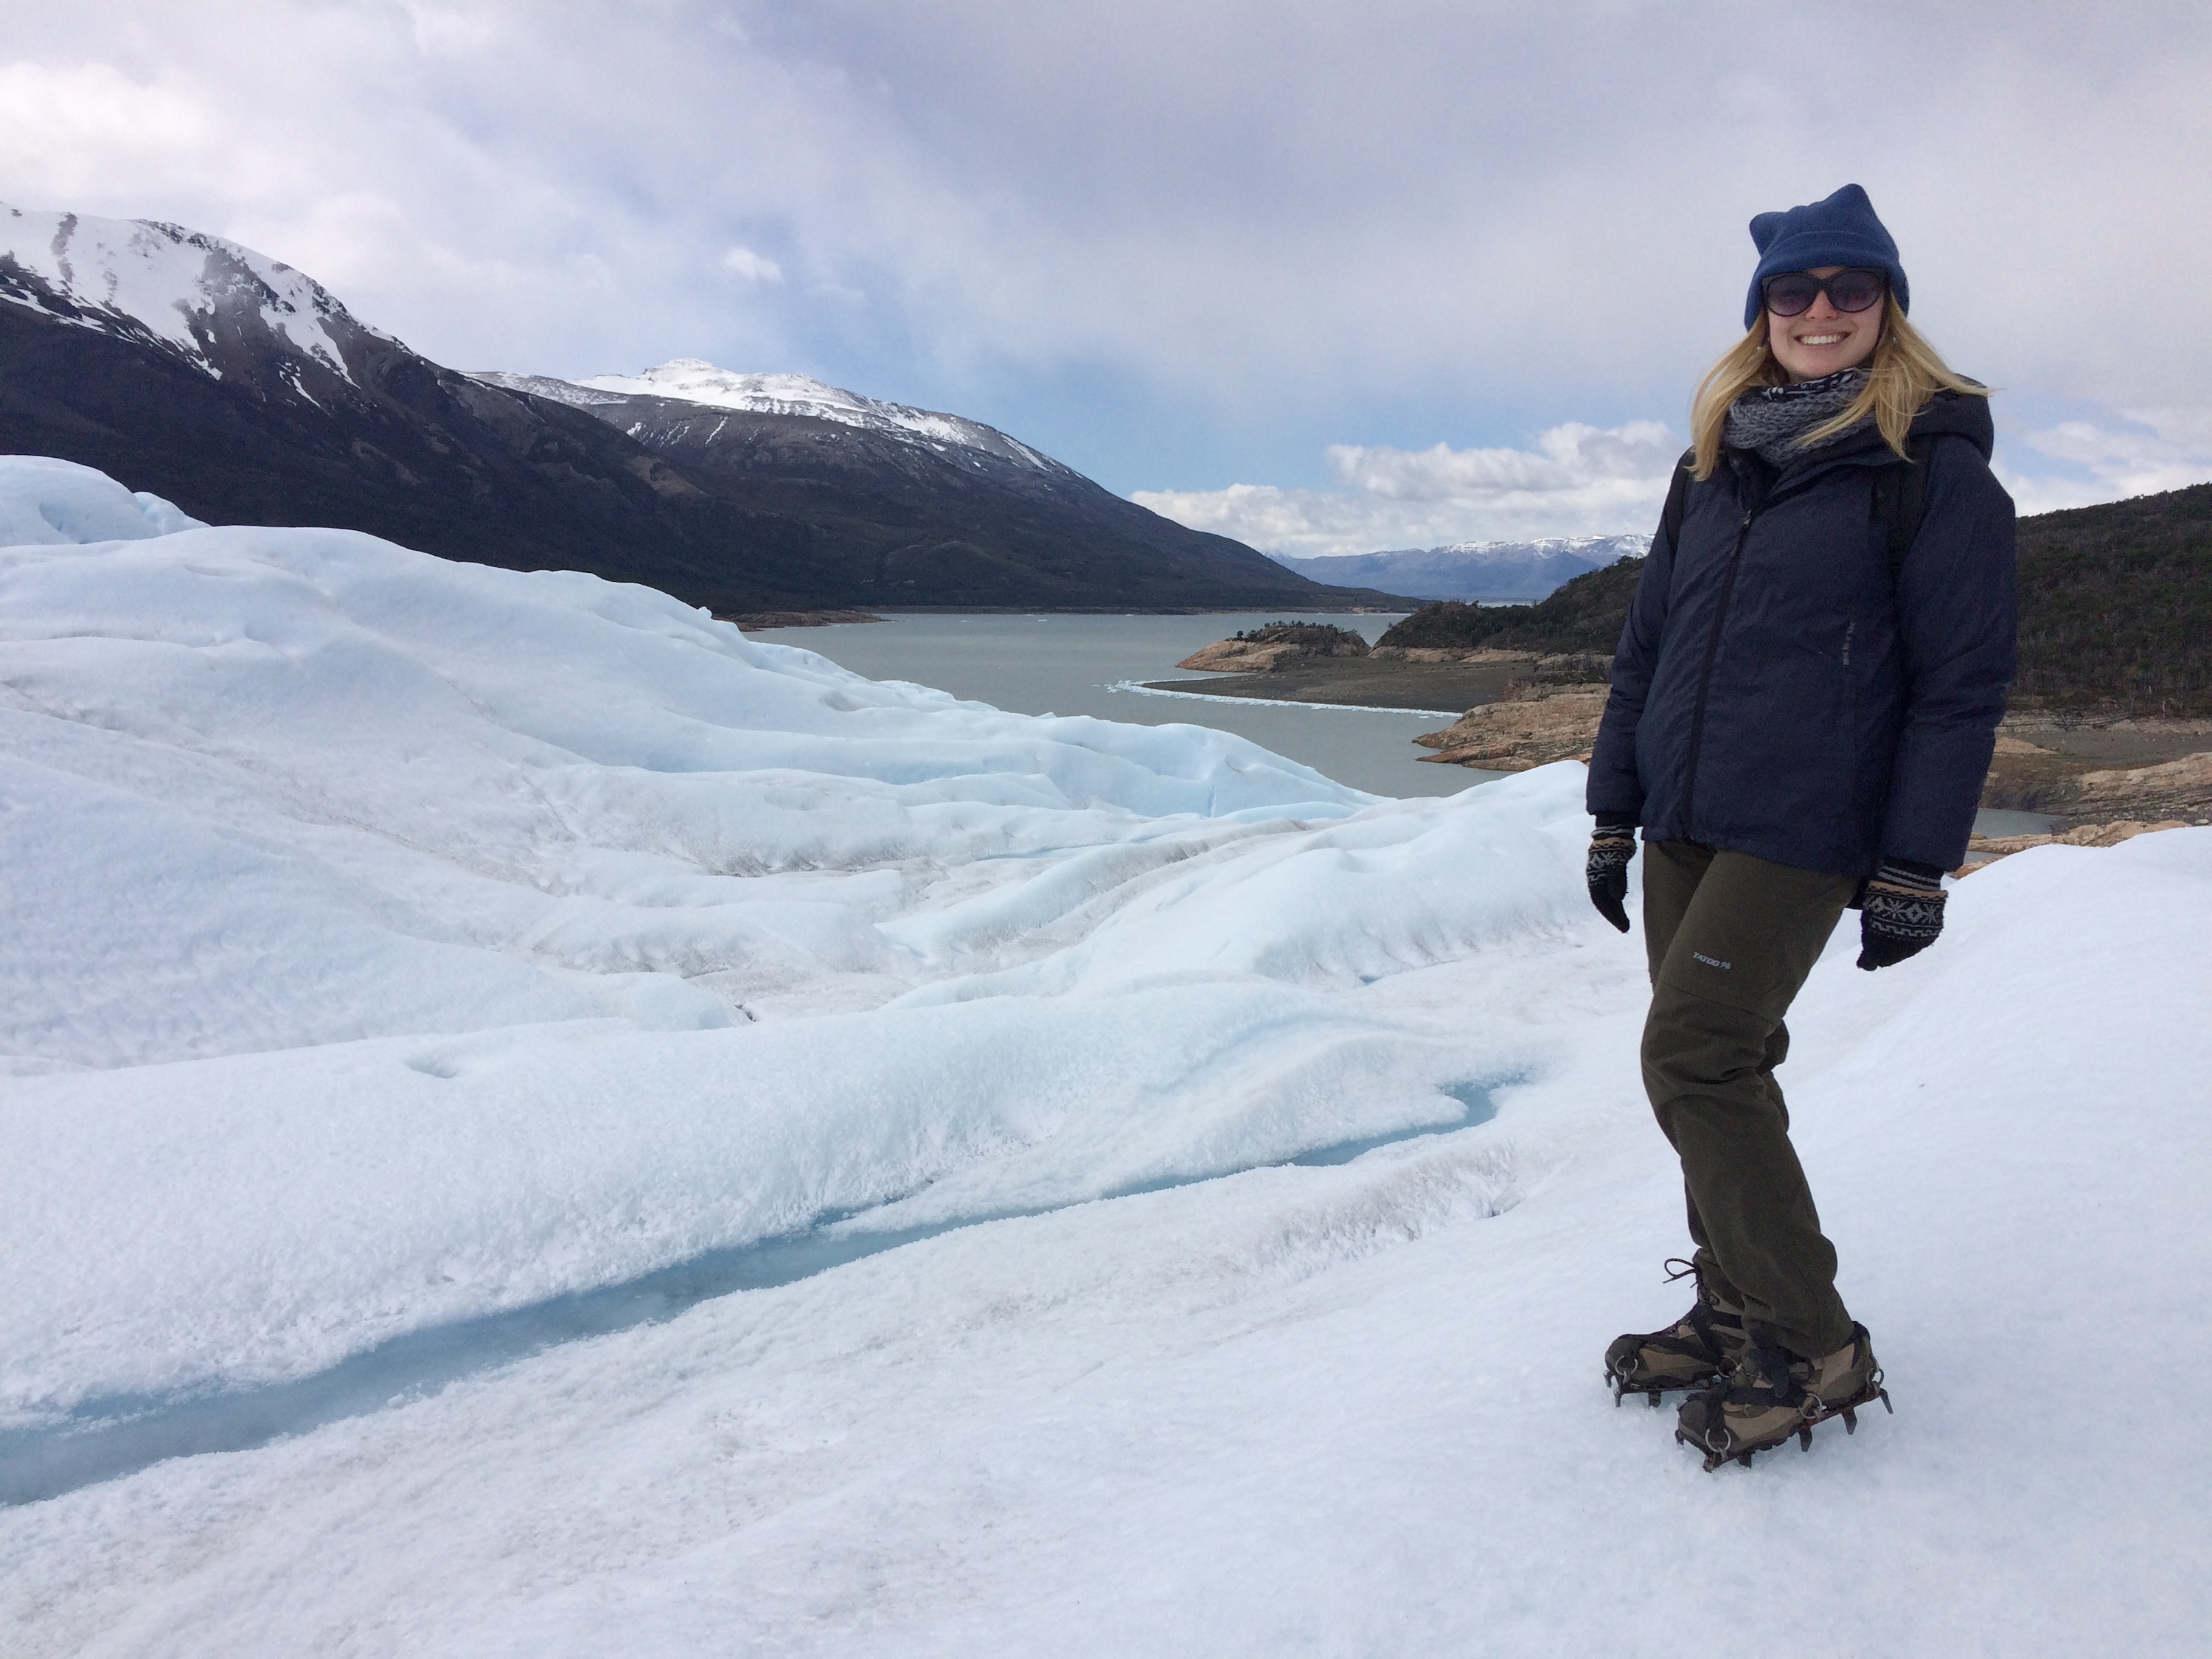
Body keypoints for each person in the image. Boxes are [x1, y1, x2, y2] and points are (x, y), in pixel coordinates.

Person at [1583, 184, 2016, 1467]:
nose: (1821, 311)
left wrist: (1911, 864)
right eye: (1795, 291)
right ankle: (1734, 1312)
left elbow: (1958, 686)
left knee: (1695, 1058)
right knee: (1722, 1065)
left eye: (1851, 290)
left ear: (1889, 310)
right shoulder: (1713, 461)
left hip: (1803, 823)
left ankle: (1811, 1342)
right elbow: (1645, 646)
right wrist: (1617, 807)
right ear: (1761, 312)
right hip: (1687, 816)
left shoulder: (1929, 473)